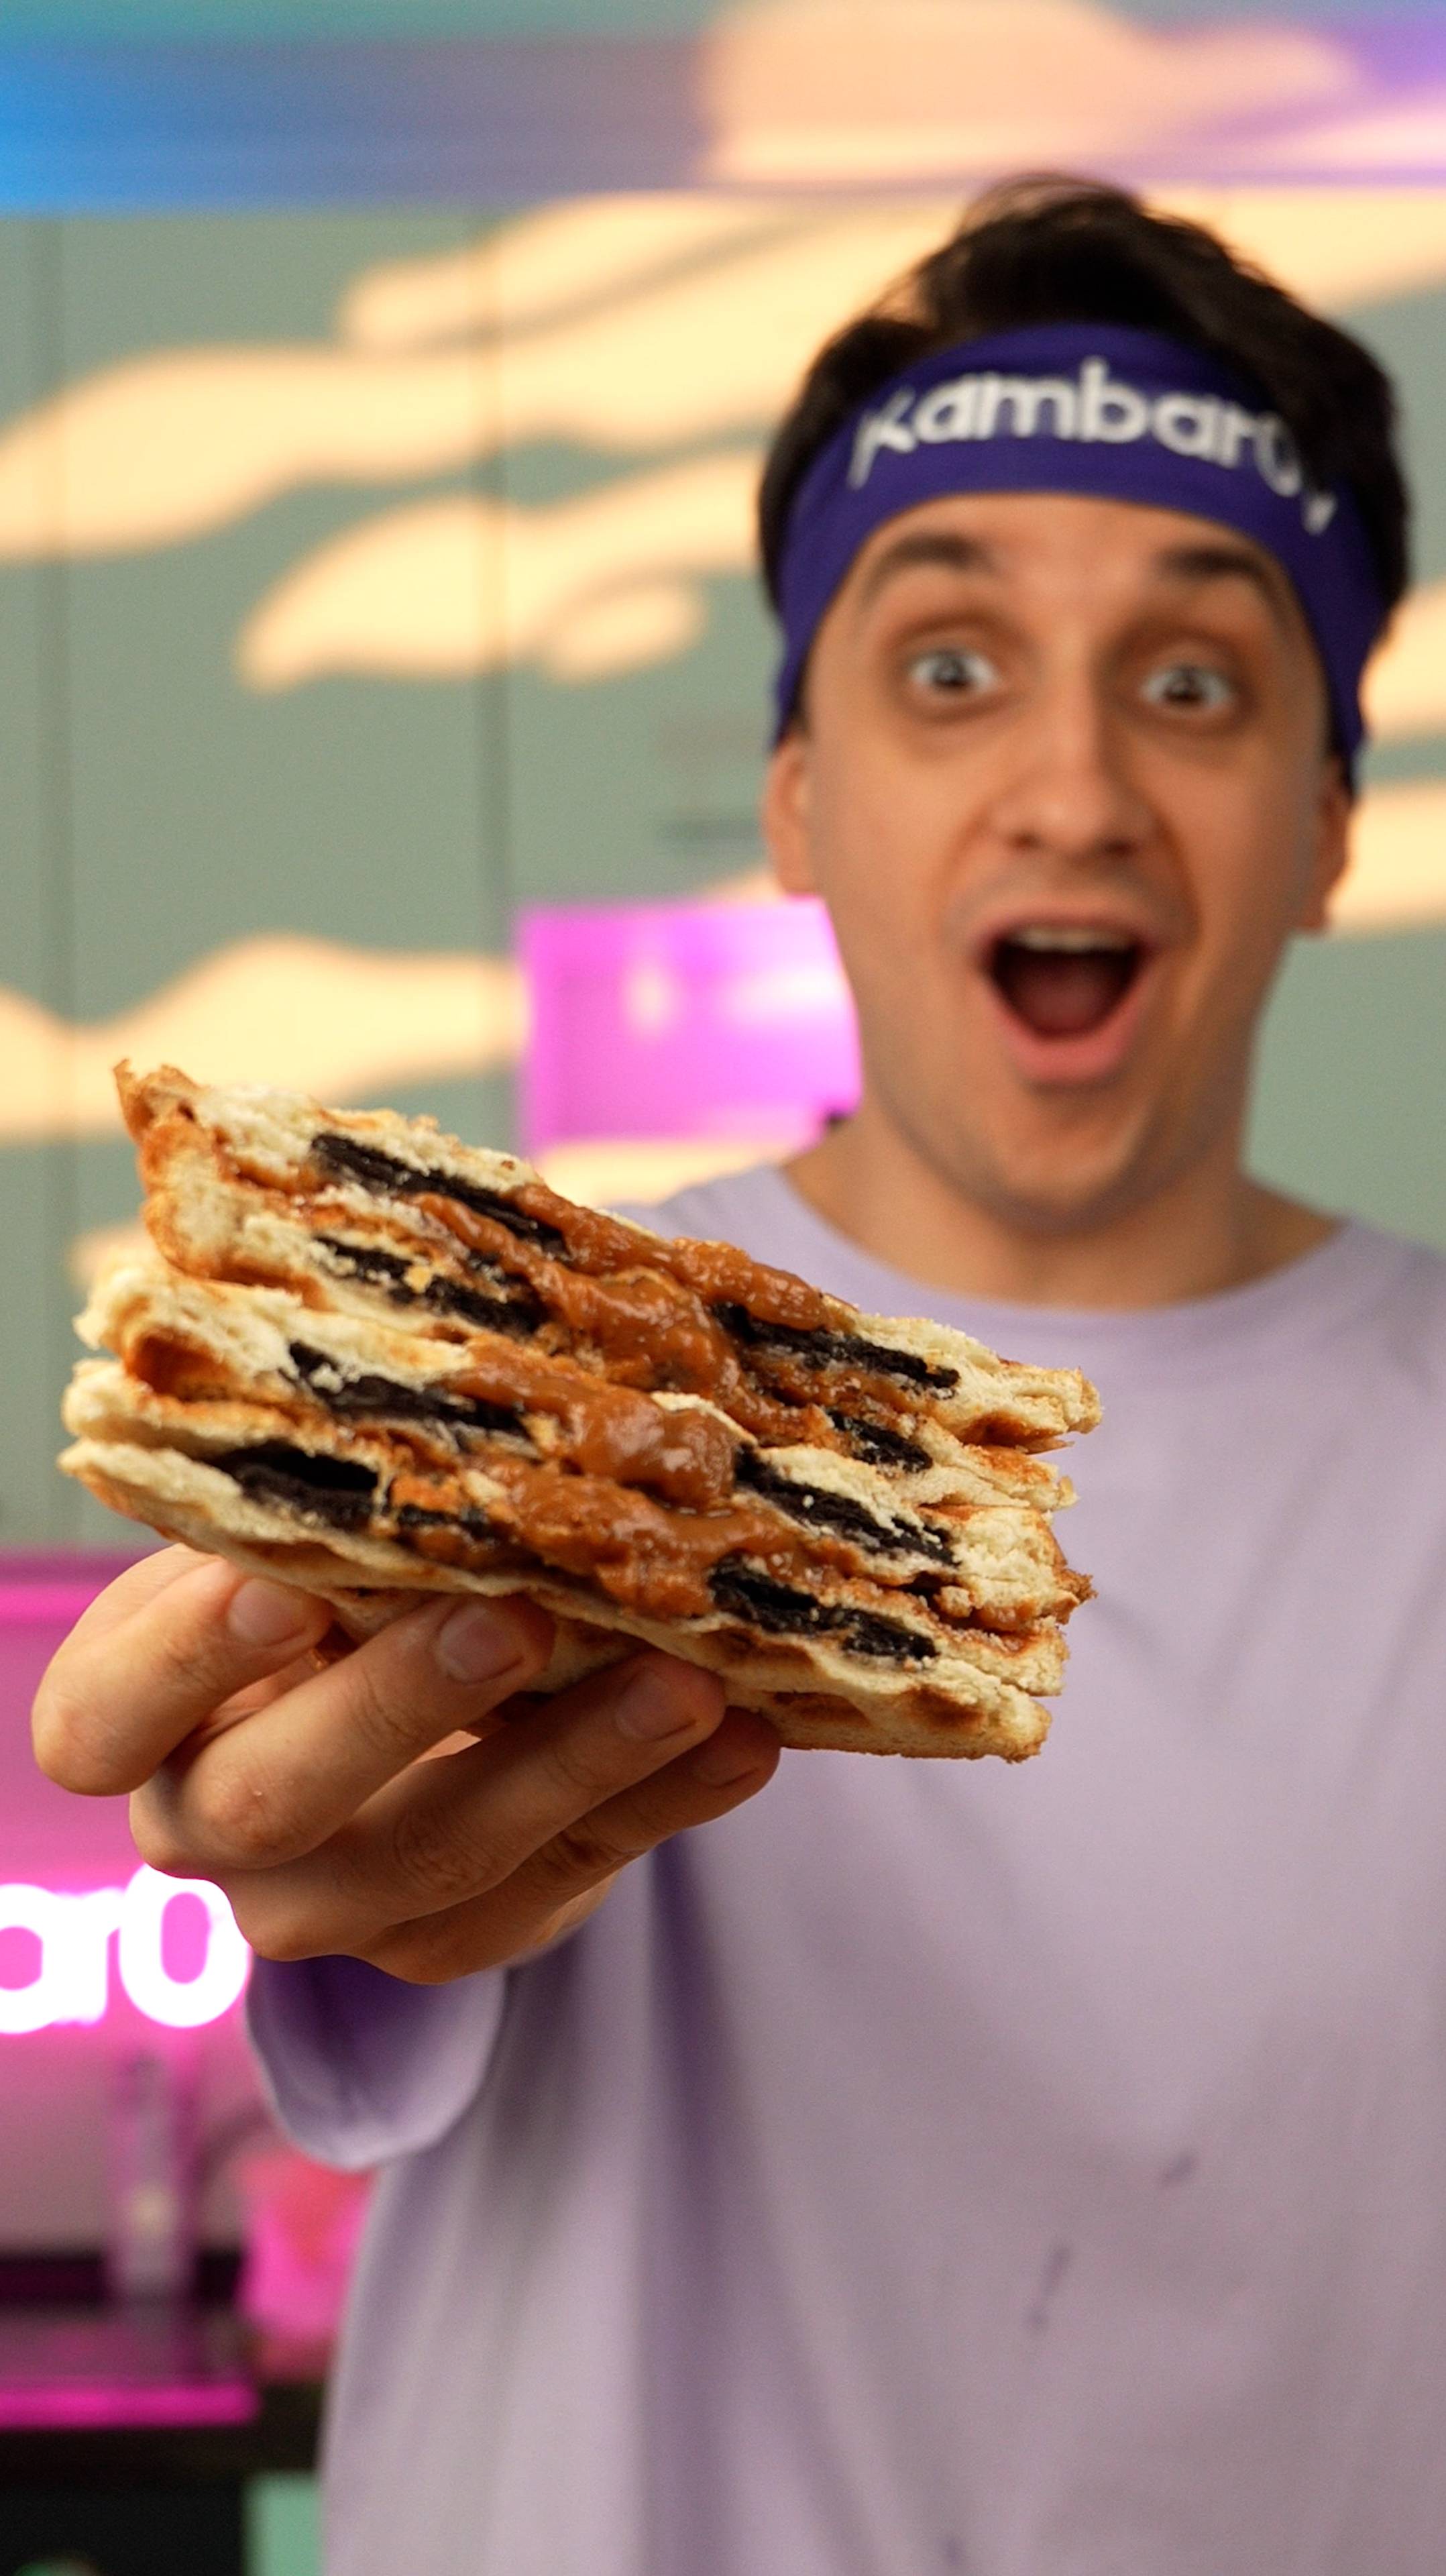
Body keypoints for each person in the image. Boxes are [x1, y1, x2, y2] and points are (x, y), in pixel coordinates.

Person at [34, 179, 1446, 2573]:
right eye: (948, 666)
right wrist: (335, 1836)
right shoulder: (495, 1375)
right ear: (799, 800)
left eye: (1196, 682)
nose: (1074, 789)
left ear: (1326, 825)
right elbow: (374, 1877)